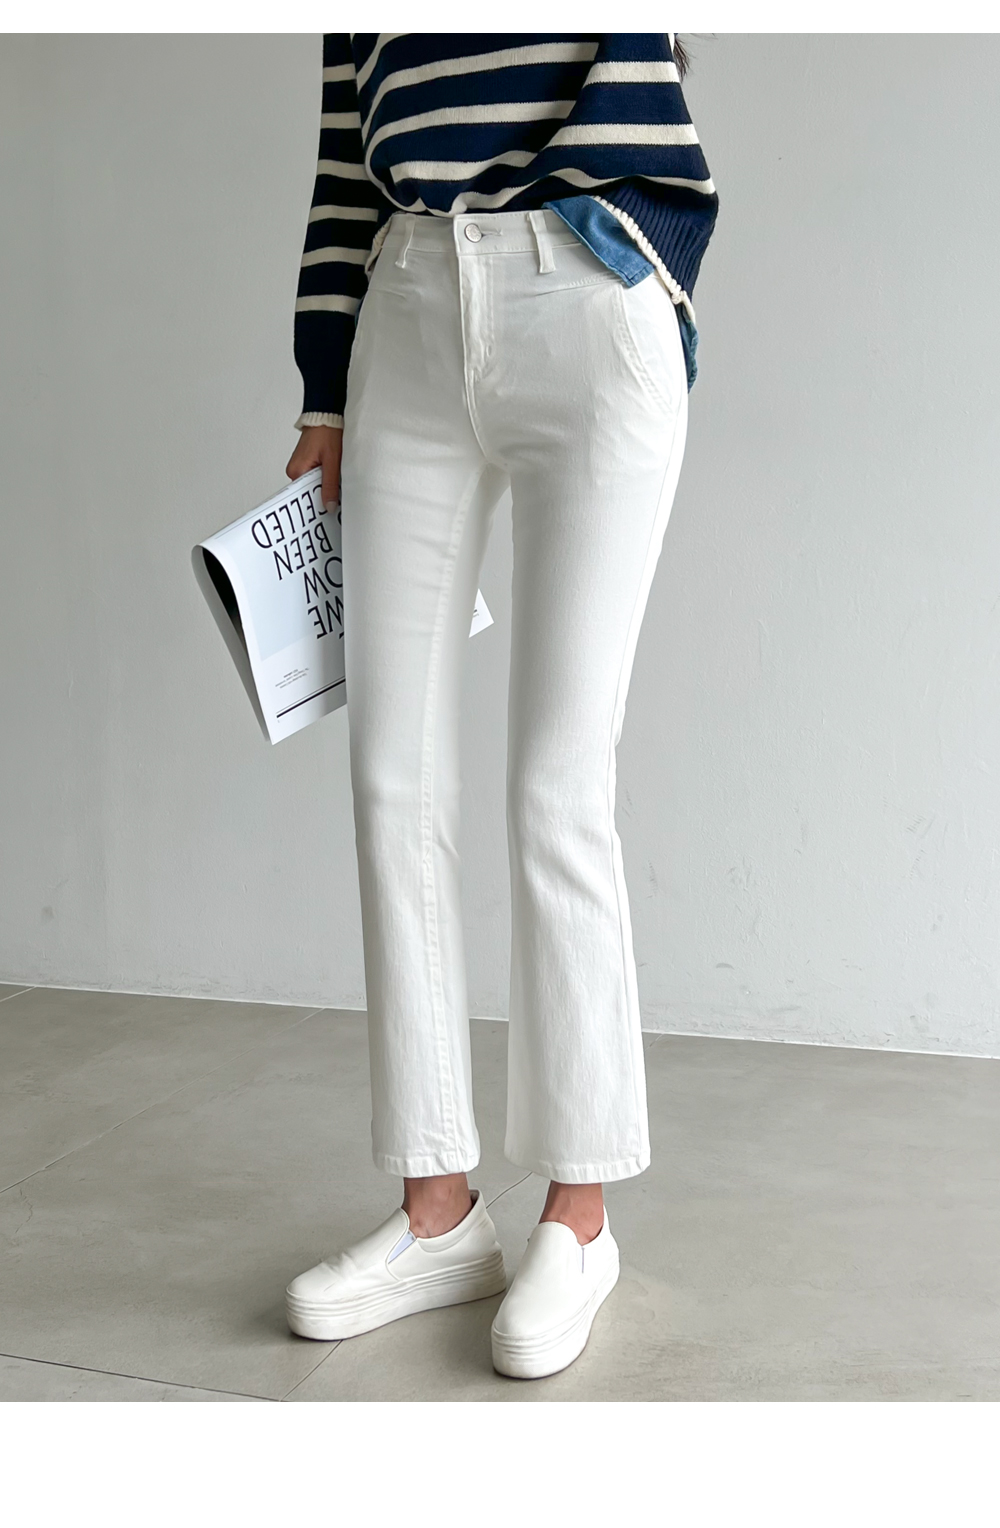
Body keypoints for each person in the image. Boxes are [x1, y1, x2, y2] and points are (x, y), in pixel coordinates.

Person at [284, 32, 718, 1380]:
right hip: (408, 298)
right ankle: (438, 1209)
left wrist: (632, 252)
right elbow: (342, 160)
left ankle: (579, 1217)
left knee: (557, 785)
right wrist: (322, 390)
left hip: (580, 286)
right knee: (392, 779)